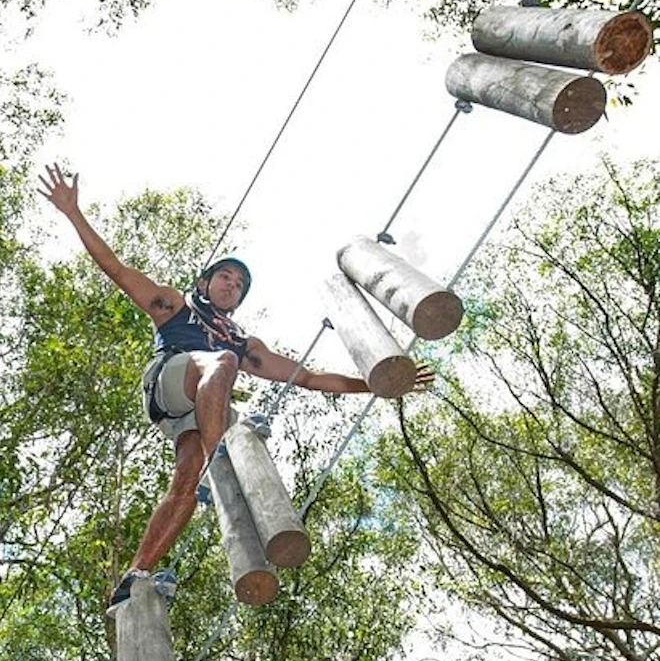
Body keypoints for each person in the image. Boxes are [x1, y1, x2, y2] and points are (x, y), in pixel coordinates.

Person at [38, 163, 431, 607]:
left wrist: (379, 381)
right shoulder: (176, 305)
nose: (233, 284)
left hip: (197, 408)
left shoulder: (243, 342)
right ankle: (216, 454)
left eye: (240, 284)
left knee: (184, 482)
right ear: (206, 282)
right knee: (220, 364)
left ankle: (135, 575)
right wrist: (73, 213)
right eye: (226, 276)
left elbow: (308, 376)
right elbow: (115, 268)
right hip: (170, 379)